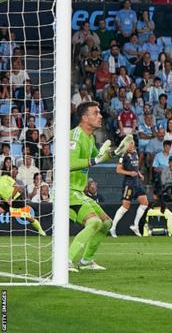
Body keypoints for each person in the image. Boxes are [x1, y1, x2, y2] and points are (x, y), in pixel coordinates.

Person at [69, 102, 133, 271]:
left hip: (78, 192)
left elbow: (97, 158)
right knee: (95, 222)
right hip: (65, 191)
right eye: (95, 113)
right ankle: (65, 261)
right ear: (84, 117)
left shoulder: (89, 137)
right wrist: (95, 159)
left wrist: (114, 153)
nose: (100, 116)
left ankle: (86, 261)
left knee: (106, 223)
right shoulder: (75, 136)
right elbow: (68, 162)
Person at [111, 139, 148, 238]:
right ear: (126, 145)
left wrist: (139, 174)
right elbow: (118, 170)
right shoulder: (123, 155)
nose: (131, 146)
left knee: (144, 203)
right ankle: (113, 228)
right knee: (125, 207)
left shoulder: (135, 153)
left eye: (133, 143)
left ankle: (135, 225)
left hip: (137, 183)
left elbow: (135, 167)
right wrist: (129, 173)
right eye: (130, 144)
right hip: (129, 184)